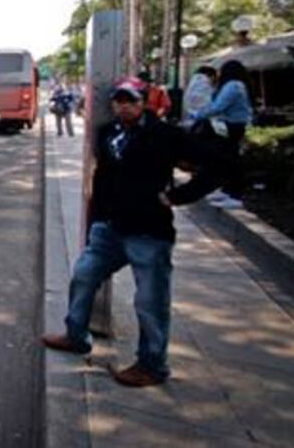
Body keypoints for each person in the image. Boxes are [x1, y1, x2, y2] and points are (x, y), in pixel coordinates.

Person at [42, 76, 224, 387]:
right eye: (119, 100)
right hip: (109, 229)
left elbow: (219, 165)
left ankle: (152, 365)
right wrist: (97, 219)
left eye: (132, 100)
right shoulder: (107, 133)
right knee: (84, 274)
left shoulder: (165, 135)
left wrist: (176, 196)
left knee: (150, 301)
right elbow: (103, 179)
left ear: (144, 103)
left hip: (148, 231)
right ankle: (76, 335)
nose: (124, 106)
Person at [197, 60, 253, 210]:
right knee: (227, 158)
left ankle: (235, 195)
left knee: (231, 159)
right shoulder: (238, 85)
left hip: (231, 126)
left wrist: (198, 114)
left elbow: (218, 106)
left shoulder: (232, 86)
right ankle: (227, 191)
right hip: (233, 125)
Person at [181, 66, 217, 130]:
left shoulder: (193, 83)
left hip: (188, 122)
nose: (213, 82)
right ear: (211, 76)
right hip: (200, 124)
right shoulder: (204, 84)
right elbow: (207, 106)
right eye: (214, 79)